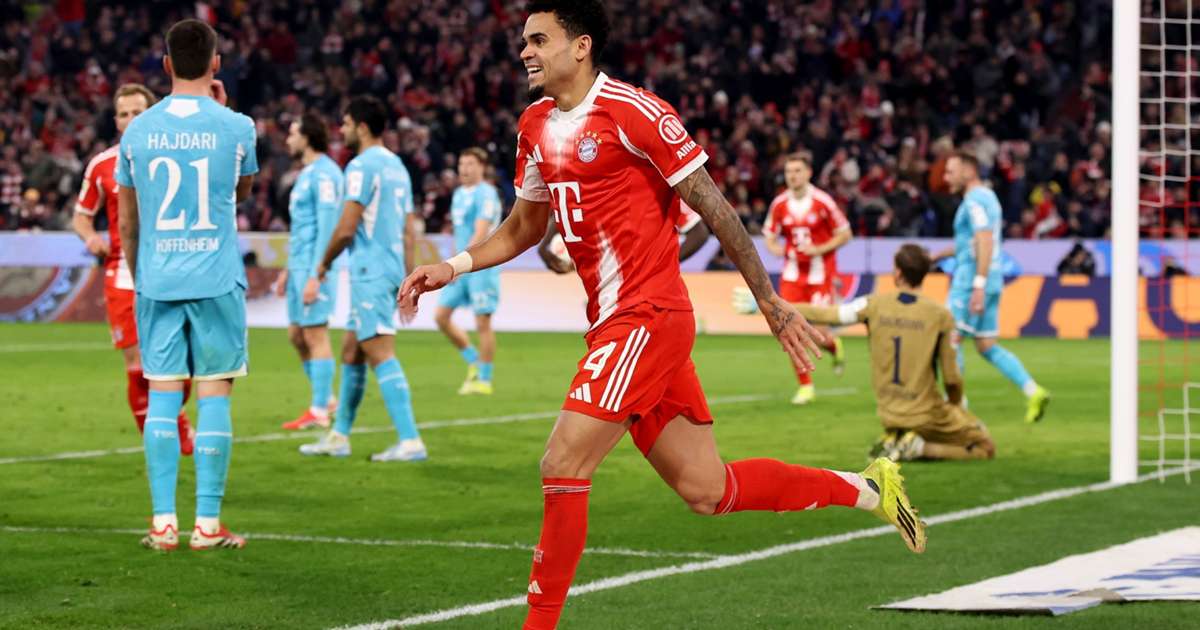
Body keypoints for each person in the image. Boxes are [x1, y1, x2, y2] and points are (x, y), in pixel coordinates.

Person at [398, 3, 926, 628]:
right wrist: (452, 266)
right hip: (617, 325)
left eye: (539, 40)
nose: (526, 52)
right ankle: (867, 487)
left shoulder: (636, 111)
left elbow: (717, 208)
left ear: (582, 45)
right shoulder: (534, 123)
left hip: (647, 317)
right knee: (709, 490)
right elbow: (523, 227)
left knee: (562, 464)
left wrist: (770, 301)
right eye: (523, 42)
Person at [116, 19, 257, 550]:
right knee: (215, 390)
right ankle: (207, 526)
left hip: (157, 277)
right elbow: (238, 192)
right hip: (217, 277)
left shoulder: (137, 130)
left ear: (167, 65)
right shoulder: (238, 126)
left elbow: (129, 221)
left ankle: (162, 525)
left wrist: (140, 269)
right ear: (216, 64)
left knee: (163, 397)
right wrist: (223, 109)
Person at [298, 95, 427, 462]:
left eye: (346, 123)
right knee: (352, 350)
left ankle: (410, 440)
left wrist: (321, 266)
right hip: (388, 268)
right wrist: (408, 276)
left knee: (379, 352)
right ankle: (339, 436)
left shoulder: (359, 167)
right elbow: (407, 229)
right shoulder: (397, 167)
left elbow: (345, 227)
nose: (341, 130)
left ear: (363, 127)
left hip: (369, 270)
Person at [72, 83, 194, 454]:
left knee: (183, 362)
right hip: (123, 275)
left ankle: (176, 417)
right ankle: (157, 440)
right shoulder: (102, 164)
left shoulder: (175, 158)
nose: (130, 119)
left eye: (138, 111)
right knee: (137, 362)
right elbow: (81, 216)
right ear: (116, 120)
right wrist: (91, 238)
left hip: (172, 269)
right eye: (124, 113)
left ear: (151, 113)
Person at [794, 244, 995, 461]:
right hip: (926, 413)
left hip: (888, 413)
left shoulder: (873, 304)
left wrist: (777, 305)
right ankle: (918, 449)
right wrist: (956, 407)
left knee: (921, 422)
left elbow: (826, 314)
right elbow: (952, 379)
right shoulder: (940, 315)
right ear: (924, 274)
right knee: (984, 446)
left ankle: (899, 437)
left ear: (897, 272)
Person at [935, 151, 1050, 423]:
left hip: (972, 280)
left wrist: (978, 285)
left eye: (951, 171)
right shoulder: (989, 198)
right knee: (987, 345)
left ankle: (958, 411)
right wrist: (935, 256)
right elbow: (972, 243)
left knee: (949, 340)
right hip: (991, 277)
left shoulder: (974, 200)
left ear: (969, 171)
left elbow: (984, 240)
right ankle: (1033, 391)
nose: (945, 177)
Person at [762, 151, 850, 405]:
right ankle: (805, 386)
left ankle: (833, 346)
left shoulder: (823, 202)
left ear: (809, 173)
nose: (793, 176)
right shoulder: (779, 204)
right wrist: (774, 247)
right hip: (792, 276)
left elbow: (845, 234)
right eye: (789, 171)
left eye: (798, 170)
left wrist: (819, 250)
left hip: (820, 274)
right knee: (788, 328)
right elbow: (769, 233)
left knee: (818, 331)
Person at [276, 114, 344, 430]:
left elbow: (328, 227)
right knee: (296, 335)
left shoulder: (327, 174)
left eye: (292, 133)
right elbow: (302, 229)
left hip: (316, 267)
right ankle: (327, 399)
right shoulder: (305, 174)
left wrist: (318, 273)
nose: (288, 139)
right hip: (299, 265)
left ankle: (319, 409)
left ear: (308, 136)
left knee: (315, 334)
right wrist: (288, 271)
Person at [435, 147, 504, 395]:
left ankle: (484, 379)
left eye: (470, 164)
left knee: (482, 323)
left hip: (481, 267)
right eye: (461, 163)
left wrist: (461, 265)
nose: (464, 168)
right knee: (441, 316)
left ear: (482, 167)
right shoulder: (458, 195)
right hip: (460, 266)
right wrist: (453, 262)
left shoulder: (486, 194)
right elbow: (458, 231)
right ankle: (474, 360)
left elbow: (480, 231)